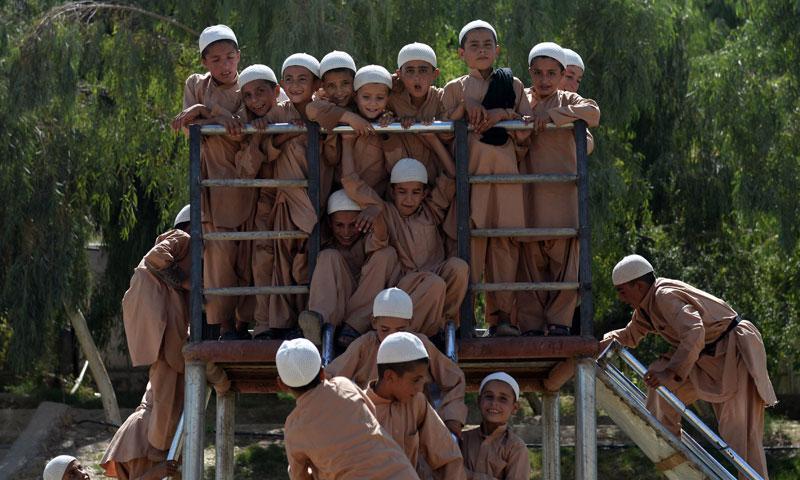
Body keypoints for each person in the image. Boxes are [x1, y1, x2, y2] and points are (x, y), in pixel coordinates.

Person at [599, 254, 777, 479]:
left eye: (622, 290)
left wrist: (671, 372)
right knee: (660, 387)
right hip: (705, 358)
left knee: (741, 437)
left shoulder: (664, 296)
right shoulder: (647, 305)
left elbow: (695, 331)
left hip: (733, 353)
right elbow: (629, 334)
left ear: (639, 285)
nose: (620, 297)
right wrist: (598, 344)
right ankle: (671, 452)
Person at [440, 20, 533, 334]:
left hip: (506, 178)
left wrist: (502, 115)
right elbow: (441, 129)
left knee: (505, 247)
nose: (481, 50)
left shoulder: (513, 85)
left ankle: (502, 318)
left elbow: (528, 126)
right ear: (462, 53)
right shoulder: (454, 88)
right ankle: (463, 318)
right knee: (470, 247)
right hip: (472, 178)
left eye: (487, 44)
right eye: (474, 45)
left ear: (497, 50)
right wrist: (465, 106)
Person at [171, 25, 255, 340]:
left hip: (249, 178)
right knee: (219, 255)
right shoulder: (197, 84)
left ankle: (246, 321)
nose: (224, 65)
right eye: (216, 59)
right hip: (213, 183)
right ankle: (225, 324)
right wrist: (211, 115)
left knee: (249, 252)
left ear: (239, 57)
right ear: (205, 62)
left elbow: (256, 117)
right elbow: (185, 125)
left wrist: (207, 112)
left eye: (230, 57)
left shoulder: (253, 84)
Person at [516, 42, 600, 337]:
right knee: (530, 261)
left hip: (563, 198)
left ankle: (560, 322)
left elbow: (593, 113)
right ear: (530, 73)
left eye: (552, 73)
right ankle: (531, 324)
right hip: (529, 196)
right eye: (538, 73)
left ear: (562, 74)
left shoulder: (569, 99)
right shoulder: (521, 100)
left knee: (565, 261)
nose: (544, 80)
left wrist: (553, 117)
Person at [326, 288, 468, 438]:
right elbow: (332, 378)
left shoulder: (420, 345)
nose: (392, 336)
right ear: (374, 322)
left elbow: (454, 379)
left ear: (410, 323)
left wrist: (452, 418)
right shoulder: (364, 346)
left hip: (413, 425)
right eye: (385, 329)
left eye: (400, 329)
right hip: (371, 424)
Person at [277, 338, 420, 479]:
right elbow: (371, 412)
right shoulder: (344, 385)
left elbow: (299, 476)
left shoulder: (294, 427)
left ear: (282, 385)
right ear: (322, 373)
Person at [253, 53, 322, 340]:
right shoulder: (279, 112)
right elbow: (266, 146)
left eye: (302, 79)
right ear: (282, 83)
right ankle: (280, 323)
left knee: (311, 261)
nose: (295, 86)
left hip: (319, 194)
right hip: (286, 199)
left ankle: (313, 318)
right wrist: (284, 136)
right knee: (282, 261)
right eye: (289, 79)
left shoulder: (323, 108)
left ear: (316, 83)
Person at [121, 205, 192, 454]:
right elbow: (155, 259)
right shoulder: (183, 237)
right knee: (164, 392)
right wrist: (186, 282)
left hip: (165, 328)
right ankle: (158, 452)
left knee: (173, 391)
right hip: (163, 329)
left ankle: (166, 448)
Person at [298, 189, 397, 348]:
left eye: (353, 225)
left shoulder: (366, 239)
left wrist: (376, 215)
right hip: (337, 309)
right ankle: (318, 323)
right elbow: (299, 277)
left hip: (364, 314)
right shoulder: (325, 245)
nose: (346, 232)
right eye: (339, 225)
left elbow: (380, 239)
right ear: (330, 223)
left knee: (387, 254)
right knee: (329, 255)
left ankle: (354, 325)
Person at [368, 332, 466, 479]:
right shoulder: (359, 409)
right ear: (389, 376)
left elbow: (448, 457)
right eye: (415, 380)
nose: (420, 389)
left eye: (422, 381)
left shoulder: (417, 403)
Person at [384, 42, 445, 183]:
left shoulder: (442, 98)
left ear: (435, 74)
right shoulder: (391, 100)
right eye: (410, 71)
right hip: (399, 181)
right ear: (399, 75)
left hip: (436, 176)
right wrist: (390, 117)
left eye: (423, 70)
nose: (416, 77)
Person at [460, 372, 531, 479]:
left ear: (514, 408)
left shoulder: (515, 447)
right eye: (489, 396)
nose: (494, 403)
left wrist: (468, 475)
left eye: (503, 399)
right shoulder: (462, 439)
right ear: (479, 401)